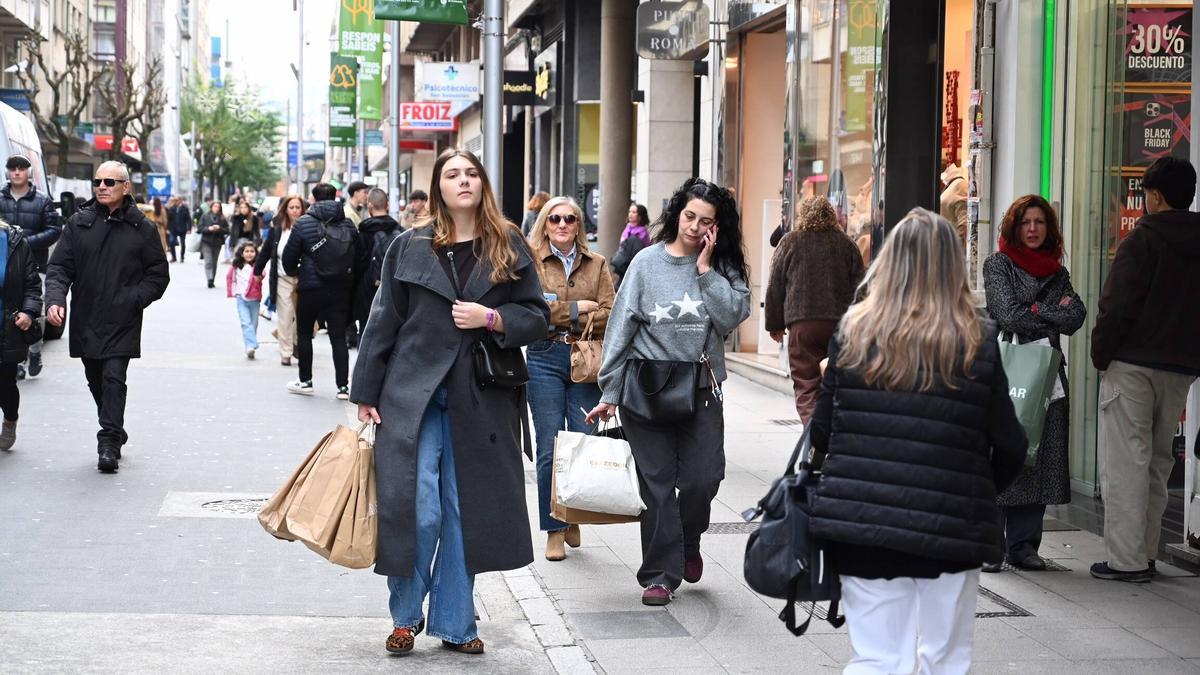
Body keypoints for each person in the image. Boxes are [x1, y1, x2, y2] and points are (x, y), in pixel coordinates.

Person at [808, 208, 1026, 672]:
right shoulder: (977, 339)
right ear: (952, 268)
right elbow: (1010, 443)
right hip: (953, 524)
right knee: (946, 659)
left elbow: (821, 433)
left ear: (888, 263)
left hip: (864, 522)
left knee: (877, 658)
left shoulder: (852, 333)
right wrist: (977, 488)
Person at [350, 148, 549, 655]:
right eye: (452, 174)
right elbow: (383, 320)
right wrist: (366, 391)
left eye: (471, 173)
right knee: (417, 509)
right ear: (439, 186)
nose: (463, 181)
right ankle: (405, 616)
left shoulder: (507, 243)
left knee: (464, 510)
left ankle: (457, 624)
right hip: (411, 396)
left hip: (480, 398)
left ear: (483, 184)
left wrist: (492, 318)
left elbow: (537, 316)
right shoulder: (409, 245)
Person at [586, 177, 752, 606]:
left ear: (717, 227)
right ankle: (660, 574)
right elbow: (620, 328)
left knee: (703, 478)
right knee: (656, 487)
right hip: (647, 389)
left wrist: (706, 271)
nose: (695, 227)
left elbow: (732, 316)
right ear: (678, 213)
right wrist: (609, 390)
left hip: (700, 388)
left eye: (706, 221)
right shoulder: (646, 263)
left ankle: (688, 540)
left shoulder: (722, 267)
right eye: (690, 216)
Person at [1091, 156, 1200, 583]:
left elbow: (1117, 305)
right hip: (1181, 367)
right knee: (1157, 461)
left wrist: (1101, 354)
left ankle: (1126, 560)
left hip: (1132, 363)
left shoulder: (1143, 239)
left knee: (1126, 461)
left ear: (1154, 196)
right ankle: (1148, 552)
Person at [981, 195, 1086, 573]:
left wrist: (1037, 311)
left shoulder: (1058, 272)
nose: (1033, 228)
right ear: (1014, 226)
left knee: (1038, 457)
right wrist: (1049, 312)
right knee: (999, 454)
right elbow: (1008, 314)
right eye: (1026, 221)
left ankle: (1024, 546)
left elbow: (1076, 316)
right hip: (1006, 373)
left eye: (1040, 222)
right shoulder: (998, 264)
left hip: (1046, 377)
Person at [45, 160, 170, 473]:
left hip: (122, 319)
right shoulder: (78, 223)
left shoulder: (142, 228)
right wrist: (56, 299)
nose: (101, 187)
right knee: (96, 379)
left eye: (109, 182)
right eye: (98, 182)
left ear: (125, 187)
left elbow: (158, 274)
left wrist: (133, 299)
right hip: (86, 316)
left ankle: (108, 443)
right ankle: (114, 425)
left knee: (114, 378)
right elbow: (59, 267)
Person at [526, 196, 615, 561]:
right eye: (555, 219)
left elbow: (611, 312)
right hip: (544, 357)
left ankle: (572, 514)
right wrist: (579, 309)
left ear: (579, 225)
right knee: (549, 447)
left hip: (586, 360)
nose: (562, 224)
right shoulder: (531, 262)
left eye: (569, 219)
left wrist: (559, 313)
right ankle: (554, 529)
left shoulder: (597, 264)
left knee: (581, 441)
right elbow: (533, 311)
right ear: (545, 224)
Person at [764, 196, 865, 424]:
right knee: (837, 382)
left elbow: (775, 286)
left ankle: (813, 433)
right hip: (840, 326)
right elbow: (861, 288)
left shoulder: (790, 242)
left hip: (803, 324)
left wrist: (774, 324)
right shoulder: (847, 244)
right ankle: (834, 430)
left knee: (807, 385)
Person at [281, 182, 365, 400]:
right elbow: (359, 257)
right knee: (338, 336)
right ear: (335, 196)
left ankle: (305, 381)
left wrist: (297, 272)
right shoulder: (348, 224)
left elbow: (288, 259)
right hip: (340, 289)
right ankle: (343, 387)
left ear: (314, 198)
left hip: (310, 287)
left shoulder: (303, 223)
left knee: (304, 333)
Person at [0, 154, 61, 381]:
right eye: (12, 168)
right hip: (6, 267)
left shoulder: (42, 201)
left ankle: (34, 350)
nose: (17, 172)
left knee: (32, 310)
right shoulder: (0, 198)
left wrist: (25, 243)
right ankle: (15, 360)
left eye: (21, 168)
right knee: (9, 313)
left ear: (29, 172)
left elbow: (54, 230)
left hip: (36, 264)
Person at [0, 217, 45, 451]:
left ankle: (10, 419)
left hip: (6, 327)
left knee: (5, 384)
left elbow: (32, 285)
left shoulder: (13, 242)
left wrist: (28, 312)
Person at [256, 194, 305, 366]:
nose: (295, 211)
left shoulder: (308, 227)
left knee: (302, 316)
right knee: (285, 315)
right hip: (282, 278)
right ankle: (286, 351)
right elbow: (266, 250)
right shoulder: (277, 229)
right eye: (291, 207)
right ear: (285, 209)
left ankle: (296, 342)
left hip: (302, 278)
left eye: (298, 207)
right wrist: (257, 270)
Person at [354, 188, 402, 339]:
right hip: (393, 287)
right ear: (387, 205)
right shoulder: (399, 232)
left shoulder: (363, 232)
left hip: (367, 288)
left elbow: (357, 264)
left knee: (365, 329)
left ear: (369, 206)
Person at [226, 240, 263, 359]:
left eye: (252, 251)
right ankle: (250, 346)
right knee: (245, 323)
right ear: (241, 253)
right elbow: (230, 278)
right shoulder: (237, 266)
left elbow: (263, 275)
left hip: (255, 299)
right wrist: (233, 292)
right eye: (246, 251)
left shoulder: (257, 266)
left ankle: (250, 344)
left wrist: (259, 276)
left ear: (256, 253)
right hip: (241, 298)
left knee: (253, 324)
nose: (249, 254)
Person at [609, 203, 651, 290]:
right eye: (630, 212)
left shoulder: (642, 232)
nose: (630, 214)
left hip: (631, 267)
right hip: (622, 266)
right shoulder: (628, 227)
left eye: (634, 212)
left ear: (640, 216)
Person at [198, 200, 229, 289]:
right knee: (208, 261)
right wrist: (209, 229)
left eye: (218, 207)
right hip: (206, 241)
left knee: (214, 262)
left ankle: (212, 279)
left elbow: (227, 230)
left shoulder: (222, 218)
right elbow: (200, 228)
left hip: (217, 242)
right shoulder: (205, 216)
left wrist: (219, 229)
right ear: (211, 207)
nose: (216, 208)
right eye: (215, 206)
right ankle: (209, 279)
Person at [940, 163, 969, 248]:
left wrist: (957, 248)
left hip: (952, 246)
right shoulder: (951, 185)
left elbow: (964, 222)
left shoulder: (960, 185)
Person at [166, 196, 191, 263]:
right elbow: (168, 219)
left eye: (177, 200)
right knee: (171, 242)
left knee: (183, 243)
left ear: (180, 200)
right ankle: (174, 257)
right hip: (173, 229)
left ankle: (182, 257)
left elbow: (188, 219)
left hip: (182, 229)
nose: (176, 201)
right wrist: (167, 228)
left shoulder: (185, 208)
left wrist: (189, 228)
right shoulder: (172, 208)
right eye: (175, 200)